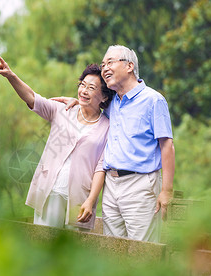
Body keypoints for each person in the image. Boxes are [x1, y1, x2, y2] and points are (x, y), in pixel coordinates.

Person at [55, 45, 175, 242]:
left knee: (141, 250)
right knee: (113, 250)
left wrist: (166, 191)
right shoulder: (113, 103)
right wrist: (78, 101)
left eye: (110, 62)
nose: (104, 69)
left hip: (141, 185)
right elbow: (94, 107)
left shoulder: (153, 100)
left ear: (129, 66)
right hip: (110, 186)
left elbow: (167, 146)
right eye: (103, 65)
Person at [0, 54, 114, 231]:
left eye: (92, 88)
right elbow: (32, 98)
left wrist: (91, 200)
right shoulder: (63, 110)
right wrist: (11, 76)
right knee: (44, 244)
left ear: (103, 97)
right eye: (82, 85)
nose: (84, 91)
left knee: (72, 252)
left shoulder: (107, 127)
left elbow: (100, 168)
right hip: (49, 191)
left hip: (79, 199)